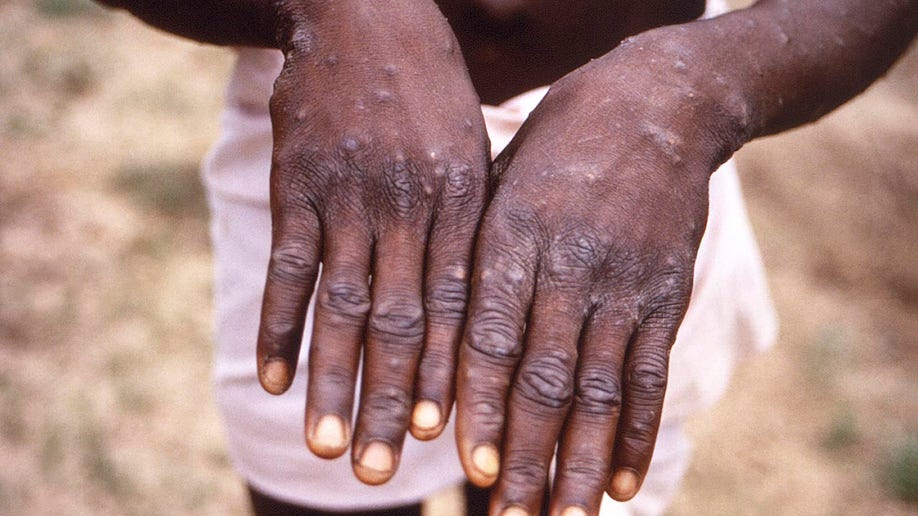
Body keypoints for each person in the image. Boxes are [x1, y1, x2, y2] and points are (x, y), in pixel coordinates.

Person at [95, 0, 916, 514]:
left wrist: (690, 91)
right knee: (323, 478)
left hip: (635, 181)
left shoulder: (671, 114)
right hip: (348, 140)